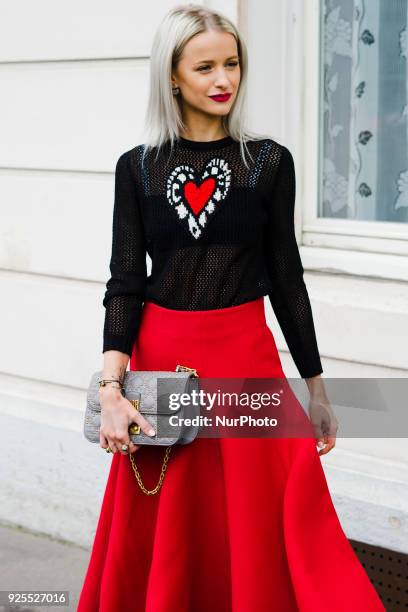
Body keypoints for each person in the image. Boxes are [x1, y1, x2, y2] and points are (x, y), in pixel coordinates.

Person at [77, 5, 385, 611]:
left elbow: (287, 281)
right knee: (171, 519)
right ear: (172, 75)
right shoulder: (136, 169)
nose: (225, 79)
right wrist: (111, 387)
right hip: (163, 362)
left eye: (233, 63)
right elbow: (124, 283)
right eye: (206, 67)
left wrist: (317, 391)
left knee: (267, 513)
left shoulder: (268, 163)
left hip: (246, 358)